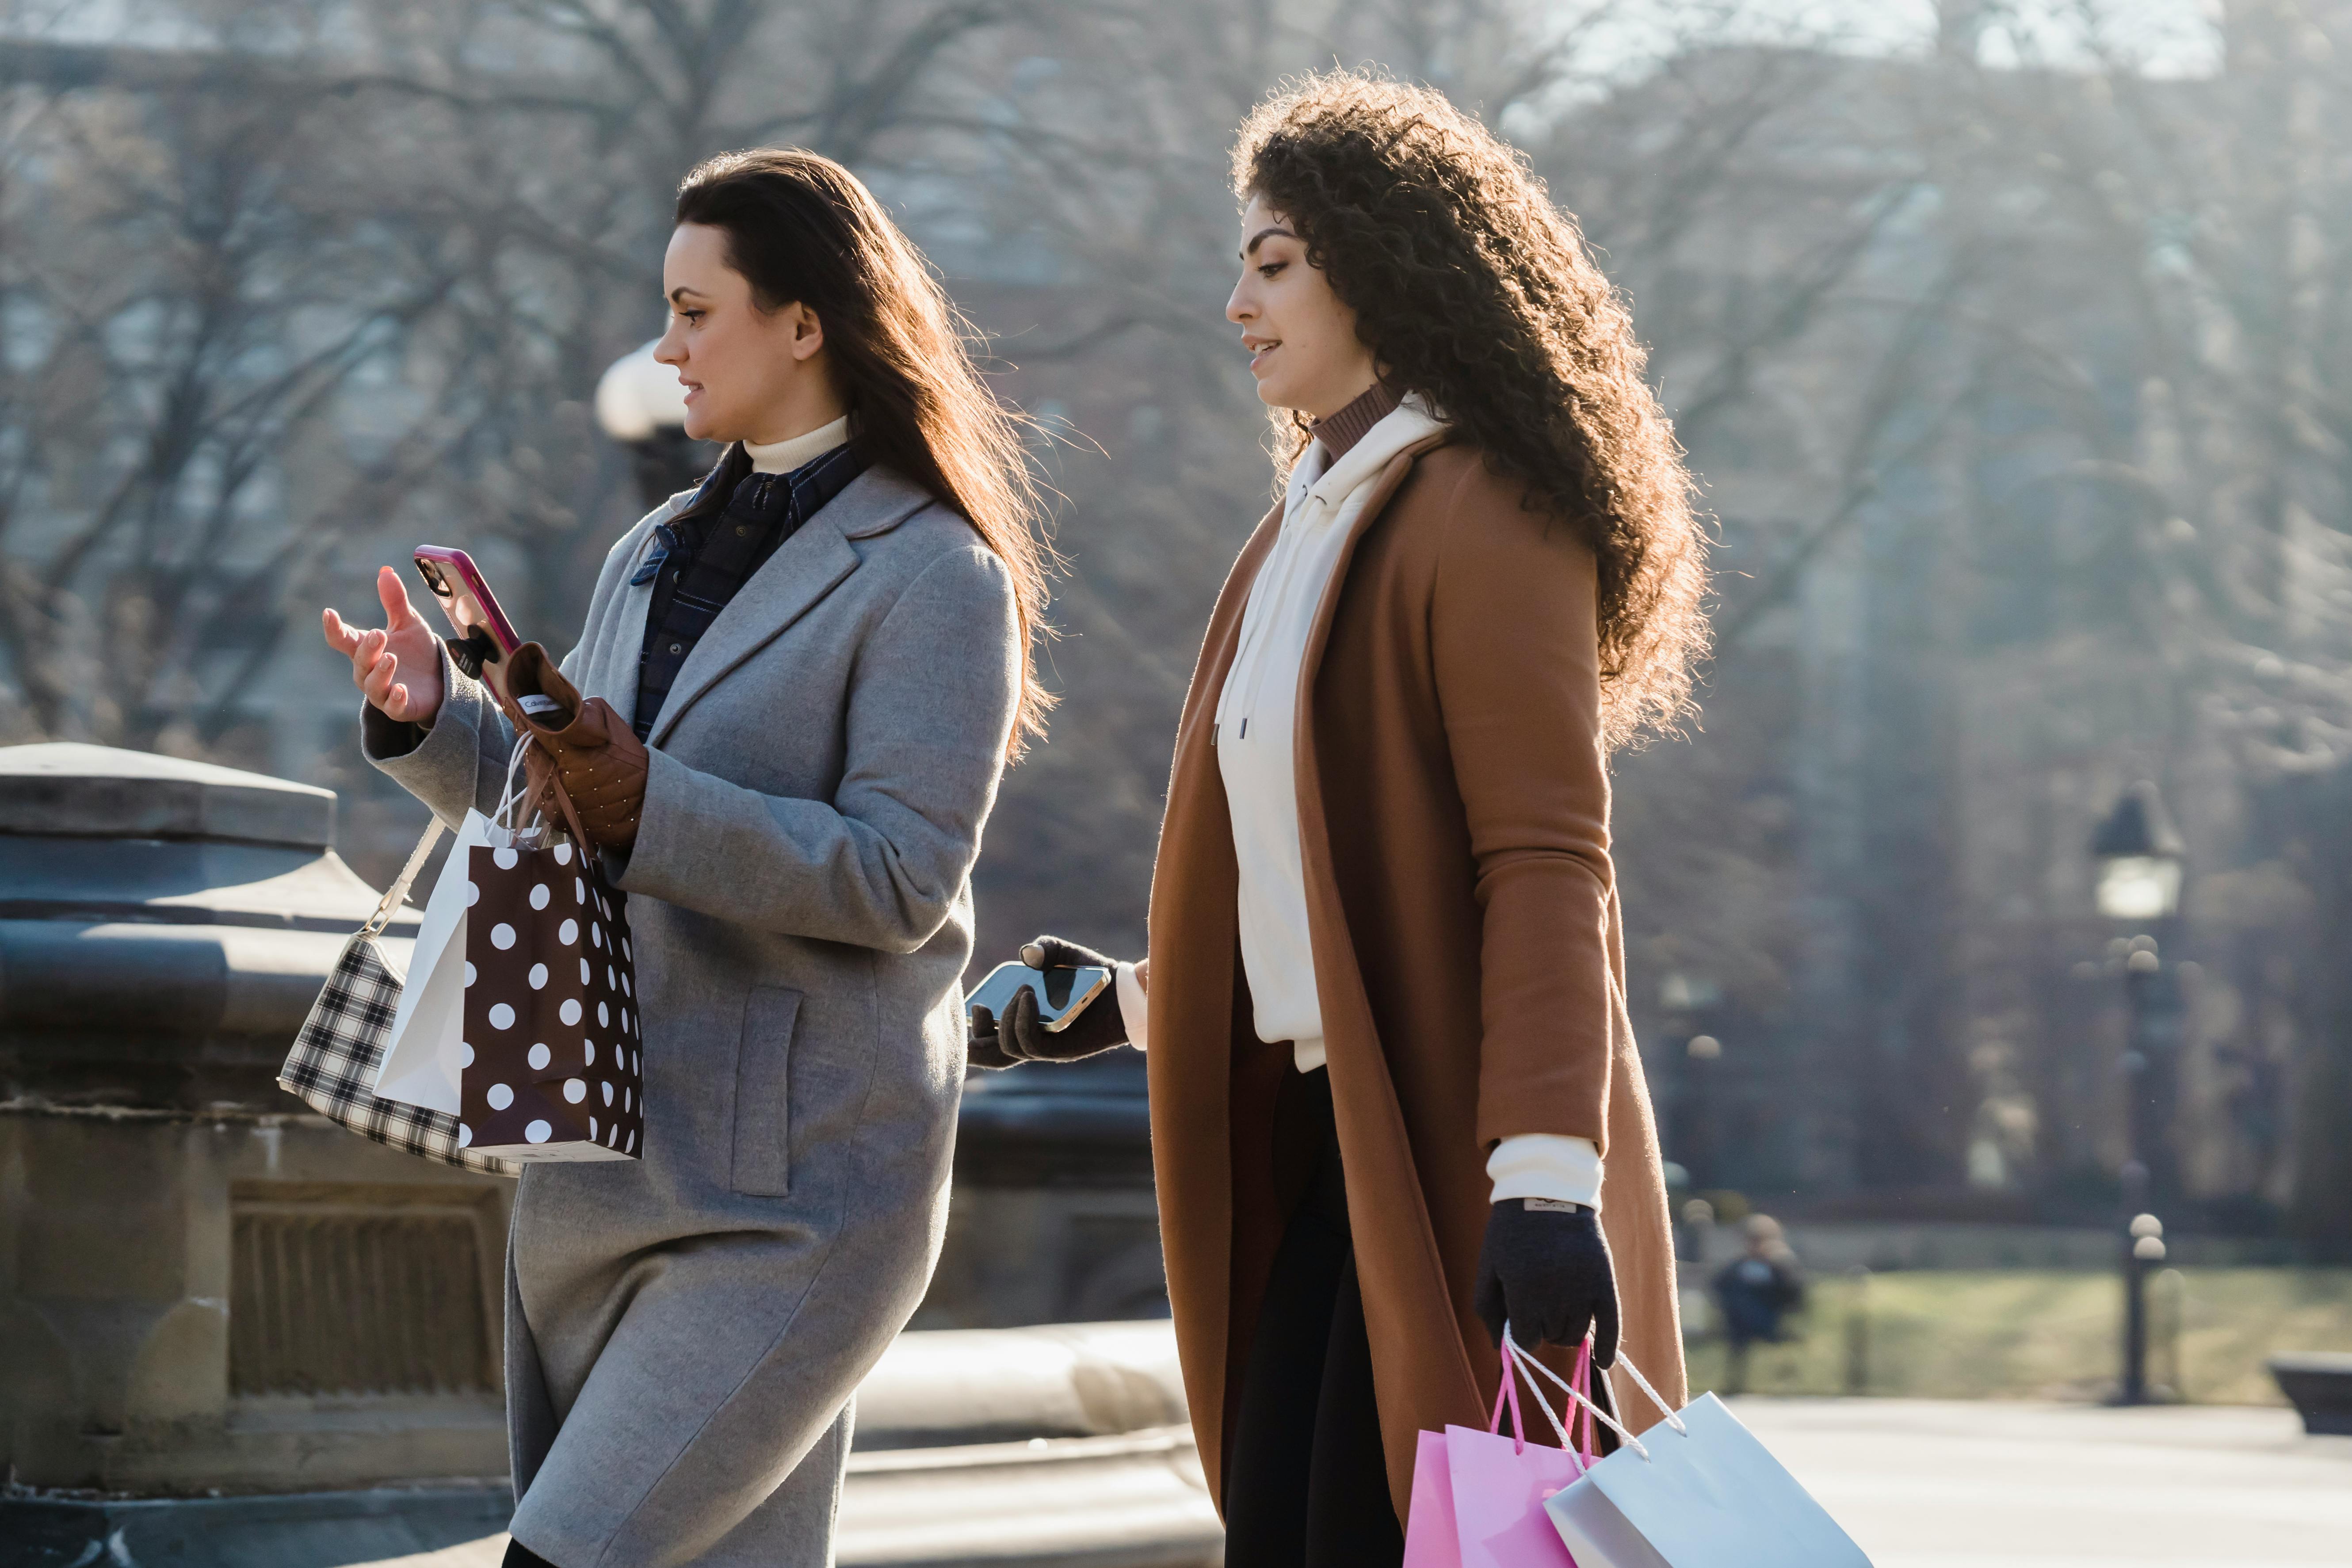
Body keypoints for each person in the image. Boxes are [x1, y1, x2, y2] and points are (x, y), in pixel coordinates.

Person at [968, 71, 1709, 1564]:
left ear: (1384, 258)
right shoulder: (1303, 521)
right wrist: (1113, 1003)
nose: (1237, 301)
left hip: (1456, 1156)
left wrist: (1549, 1182)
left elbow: (1548, 863)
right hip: (1326, 1142)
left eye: (1274, 259)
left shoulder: (1487, 506)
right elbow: (1325, 903)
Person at [323, 148, 1046, 1568]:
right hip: (596, 1166)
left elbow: (900, 877)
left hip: (793, 1202)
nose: (666, 345)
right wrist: (429, 723)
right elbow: (568, 804)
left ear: (805, 322)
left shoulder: (940, 577)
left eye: (694, 309)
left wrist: (648, 799)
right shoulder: (656, 546)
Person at [1714, 1214, 1807, 1394]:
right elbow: (1720, 1286)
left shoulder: (1782, 1265)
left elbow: (1795, 1294)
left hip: (1772, 1318)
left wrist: (1777, 1263)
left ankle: (1785, 1383)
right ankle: (1734, 1383)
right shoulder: (1739, 1266)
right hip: (1740, 1322)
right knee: (1738, 1334)